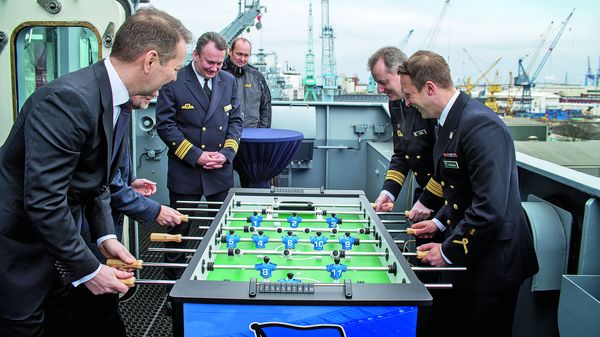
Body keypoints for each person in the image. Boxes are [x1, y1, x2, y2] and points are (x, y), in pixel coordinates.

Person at [0, 8, 191, 336]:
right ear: (150, 60)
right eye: (174, 68)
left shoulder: (116, 102)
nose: (175, 77)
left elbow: (97, 183)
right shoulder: (68, 100)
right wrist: (89, 268)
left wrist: (106, 238)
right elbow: (44, 200)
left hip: (60, 242)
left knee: (62, 324)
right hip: (22, 249)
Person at [399, 50, 539, 337]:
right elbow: (457, 188)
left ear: (429, 88)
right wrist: (438, 222)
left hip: (493, 264)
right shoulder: (451, 121)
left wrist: (447, 251)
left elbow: (490, 205)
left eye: (409, 95)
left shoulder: (479, 124)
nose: (407, 103)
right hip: (471, 254)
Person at [73, 96, 185, 337]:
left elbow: (111, 176)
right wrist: (154, 210)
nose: (156, 94)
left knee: (105, 306)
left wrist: (129, 182)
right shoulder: (95, 111)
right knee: (98, 308)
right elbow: (103, 186)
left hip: (103, 226)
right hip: (83, 228)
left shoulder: (119, 112)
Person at [156, 31, 243, 280]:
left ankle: (222, 283)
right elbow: (166, 125)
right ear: (195, 55)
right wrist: (196, 156)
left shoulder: (228, 81)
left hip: (220, 170)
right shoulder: (174, 80)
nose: (215, 68)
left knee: (224, 231)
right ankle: (173, 288)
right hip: (187, 170)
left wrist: (226, 154)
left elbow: (235, 121)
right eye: (210, 62)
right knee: (178, 233)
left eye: (219, 63)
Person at [368, 46, 443, 221]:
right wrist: (389, 191)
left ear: (400, 72)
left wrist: (427, 201)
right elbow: (402, 153)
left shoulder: (431, 104)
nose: (379, 90)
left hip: (444, 198)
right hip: (425, 193)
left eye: (383, 82)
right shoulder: (396, 104)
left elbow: (445, 163)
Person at [222, 37, 272, 129]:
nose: (242, 59)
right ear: (230, 51)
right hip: (226, 136)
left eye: (246, 55)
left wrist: (263, 132)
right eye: (239, 54)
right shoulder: (219, 74)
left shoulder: (257, 77)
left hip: (253, 134)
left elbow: (266, 106)